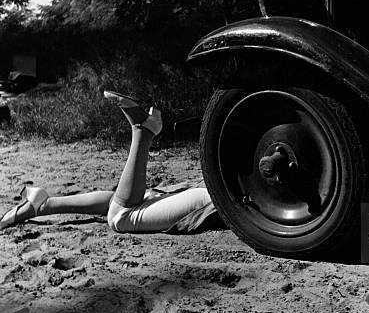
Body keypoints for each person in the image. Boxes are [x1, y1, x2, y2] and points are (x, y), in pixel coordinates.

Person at [0, 91, 218, 234]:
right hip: (219, 195)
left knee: (129, 207)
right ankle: (142, 132)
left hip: (219, 187)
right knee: (124, 212)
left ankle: (43, 204)